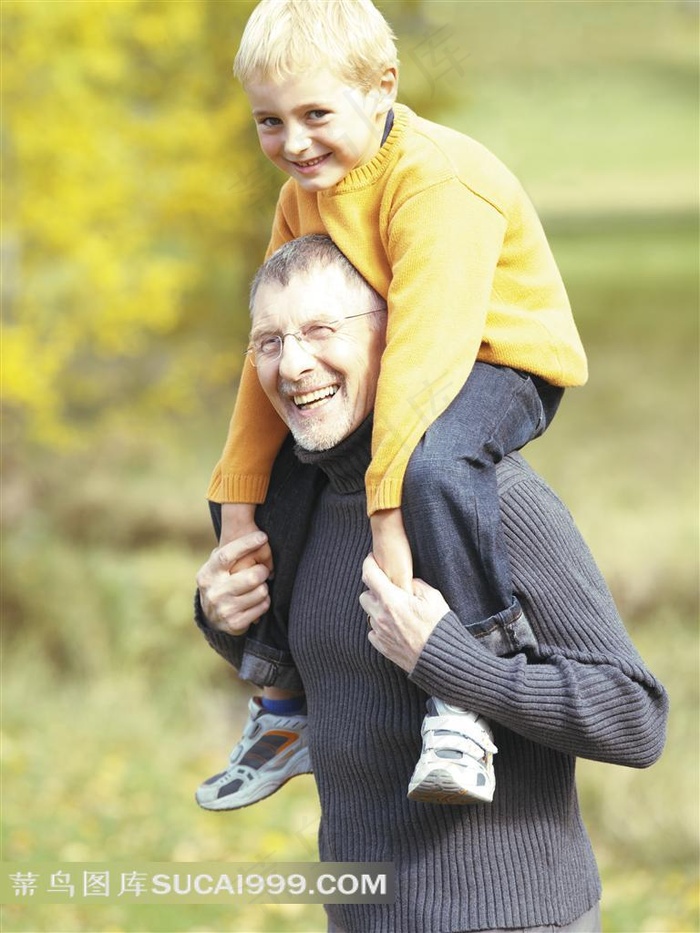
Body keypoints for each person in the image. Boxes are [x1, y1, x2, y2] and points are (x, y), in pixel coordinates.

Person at [194, 236, 668, 933]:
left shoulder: (491, 500)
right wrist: (223, 617)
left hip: (512, 918)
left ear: (397, 337)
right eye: (269, 340)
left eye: (322, 330)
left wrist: (448, 658)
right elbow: (336, 681)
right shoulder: (300, 507)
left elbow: (635, 717)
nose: (293, 364)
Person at [200, 0, 590, 808]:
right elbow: (265, 347)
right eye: (269, 122)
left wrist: (387, 512)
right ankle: (283, 703)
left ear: (382, 87)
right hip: (410, 352)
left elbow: (424, 353)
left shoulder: (434, 181)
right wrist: (237, 503)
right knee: (256, 478)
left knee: (436, 466)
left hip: (498, 356)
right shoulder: (305, 192)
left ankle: (467, 695)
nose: (294, 143)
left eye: (314, 113)